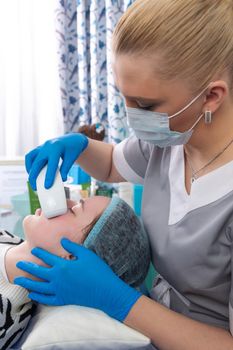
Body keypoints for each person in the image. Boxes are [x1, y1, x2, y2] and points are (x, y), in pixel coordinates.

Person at [14, 0, 233, 348]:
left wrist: (117, 299)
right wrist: (80, 146)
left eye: (145, 106)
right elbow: (114, 163)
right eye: (123, 98)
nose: (132, 117)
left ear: (211, 96)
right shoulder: (168, 141)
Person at [0, 196, 150, 349]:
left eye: (74, 210)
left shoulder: (7, 317)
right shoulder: (7, 238)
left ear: (72, 258)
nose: (64, 200)